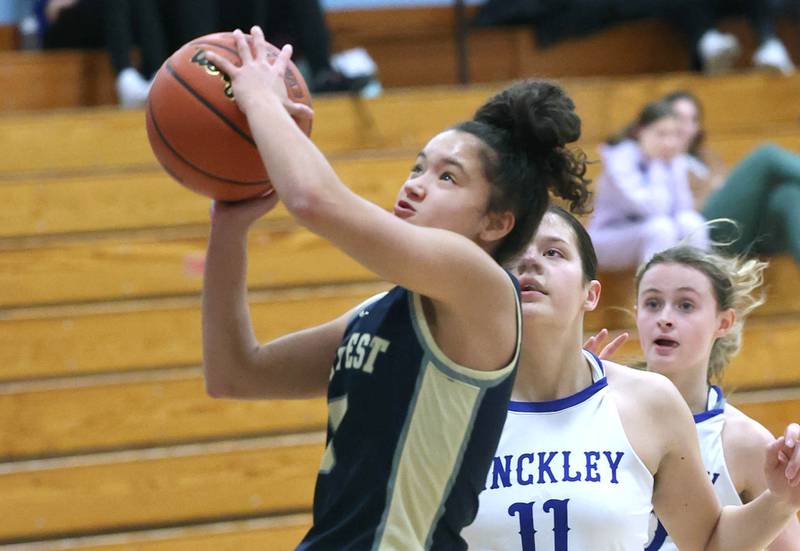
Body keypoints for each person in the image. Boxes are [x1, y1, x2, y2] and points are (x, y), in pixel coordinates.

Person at [200, 27, 590, 549]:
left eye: (447, 178)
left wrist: (260, 100)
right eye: (418, 167)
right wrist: (230, 225)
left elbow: (315, 200)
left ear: (496, 223)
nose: (416, 184)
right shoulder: (379, 312)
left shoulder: (483, 287)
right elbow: (235, 373)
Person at [463, 206, 800, 550]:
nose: (530, 261)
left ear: (590, 294)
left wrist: (782, 500)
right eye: (514, 252)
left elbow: (708, 544)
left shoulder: (652, 404)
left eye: (553, 252)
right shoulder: (449, 404)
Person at [664, 90, 800, 267]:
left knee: (787, 196)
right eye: (679, 118)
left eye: (693, 120)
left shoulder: (705, 156)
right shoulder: (657, 161)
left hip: (741, 231)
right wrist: (712, 186)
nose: (686, 127)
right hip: (701, 234)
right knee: (765, 156)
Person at [587, 100, 709, 271]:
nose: (669, 142)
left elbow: (683, 208)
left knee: (692, 222)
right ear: (641, 132)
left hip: (645, 232)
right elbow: (652, 208)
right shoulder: (620, 159)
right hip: (607, 238)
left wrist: (676, 167)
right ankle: (654, 292)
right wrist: (657, 165)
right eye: (661, 134)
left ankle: (697, 285)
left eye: (674, 135)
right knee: (661, 228)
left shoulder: (673, 160)